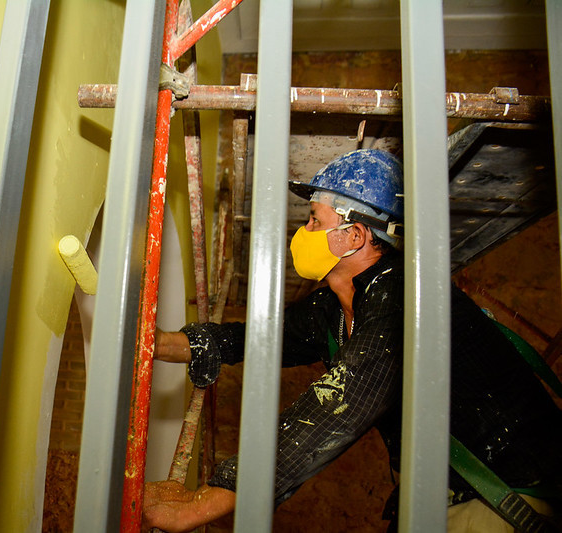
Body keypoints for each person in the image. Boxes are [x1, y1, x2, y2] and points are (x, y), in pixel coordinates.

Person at [142, 149, 562, 532]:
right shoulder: (337, 306)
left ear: (355, 236)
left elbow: (340, 406)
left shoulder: (403, 295)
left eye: (314, 220)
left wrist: (202, 502)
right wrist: (156, 343)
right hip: (462, 495)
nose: (303, 231)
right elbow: (258, 339)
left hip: (514, 497)